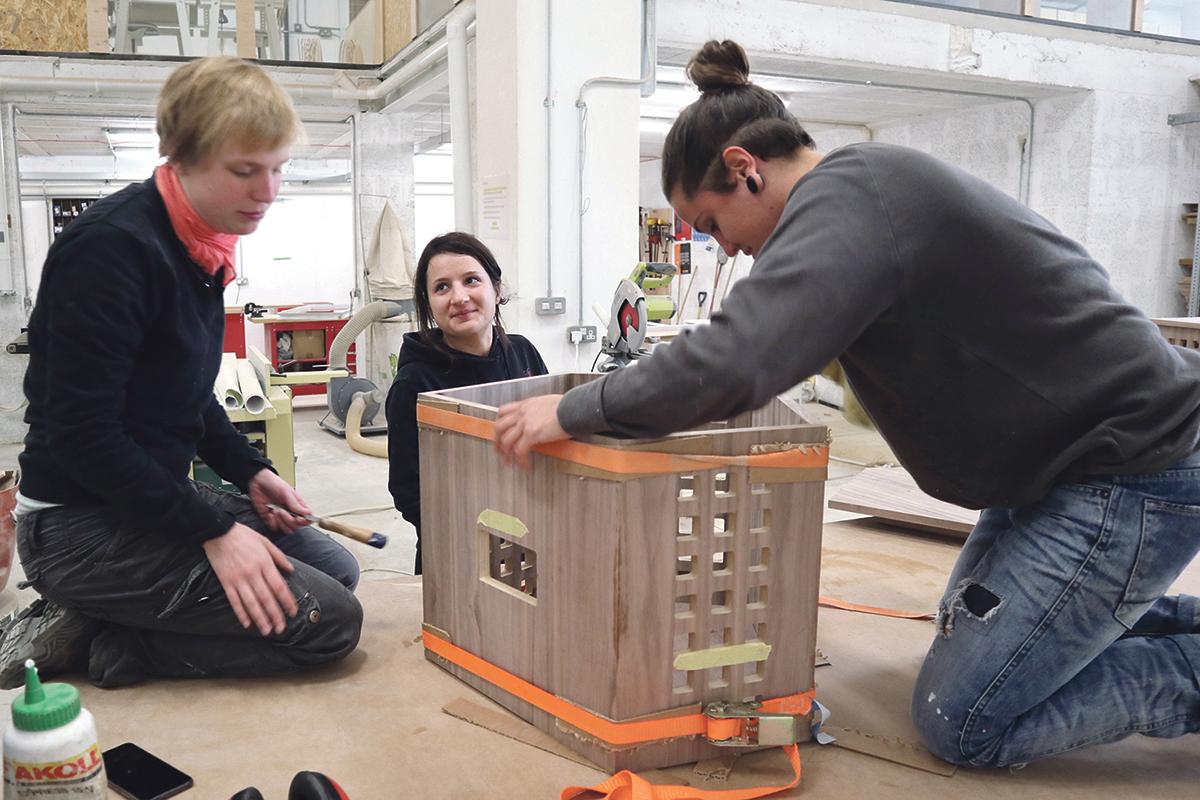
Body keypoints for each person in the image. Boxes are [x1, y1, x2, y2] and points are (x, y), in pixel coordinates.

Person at [494, 40, 1200, 768]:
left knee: (964, 720)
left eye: (708, 224)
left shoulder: (857, 196)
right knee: (971, 634)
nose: (724, 250)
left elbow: (740, 356)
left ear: (744, 168)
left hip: (1131, 468)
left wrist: (574, 410)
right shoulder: (861, 200)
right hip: (1055, 468)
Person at [0, 57, 363, 689]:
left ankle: (113, 618)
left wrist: (249, 470)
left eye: (277, 169)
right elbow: (86, 436)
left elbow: (185, 396)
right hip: (76, 524)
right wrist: (213, 531)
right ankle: (119, 646)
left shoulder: (201, 245)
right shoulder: (111, 250)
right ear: (180, 157)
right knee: (330, 620)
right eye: (244, 171)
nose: (267, 191)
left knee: (335, 568)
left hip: (143, 500)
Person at [386, 232, 547, 575]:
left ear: (496, 289)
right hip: (456, 552)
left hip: (536, 537)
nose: (459, 297)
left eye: (471, 280)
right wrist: (475, 536)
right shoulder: (414, 384)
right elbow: (408, 490)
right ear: (429, 304)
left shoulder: (523, 354)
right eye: (442, 287)